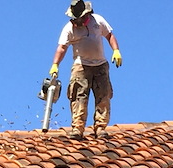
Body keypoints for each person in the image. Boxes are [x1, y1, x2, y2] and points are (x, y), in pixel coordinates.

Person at [49, 0, 122, 140]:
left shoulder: (98, 21)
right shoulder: (69, 29)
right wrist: (55, 65)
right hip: (80, 66)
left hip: (100, 65)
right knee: (78, 96)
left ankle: (100, 128)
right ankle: (77, 128)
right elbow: (62, 47)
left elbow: (109, 35)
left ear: (86, 15)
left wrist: (116, 50)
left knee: (103, 96)